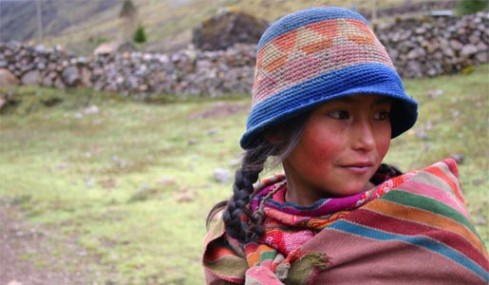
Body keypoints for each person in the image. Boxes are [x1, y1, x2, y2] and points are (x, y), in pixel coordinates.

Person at [202, 6, 489, 284]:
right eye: (340, 114)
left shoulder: (430, 228)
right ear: (277, 130)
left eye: (381, 115)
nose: (368, 141)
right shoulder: (236, 235)